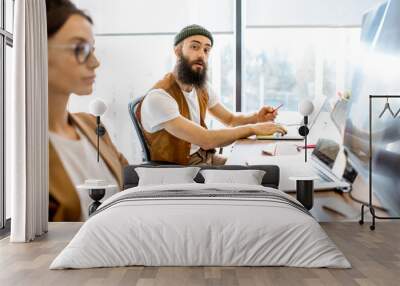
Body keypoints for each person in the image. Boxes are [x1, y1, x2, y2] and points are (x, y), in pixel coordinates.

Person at [137, 24, 287, 165]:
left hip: (205, 157)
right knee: (249, 177)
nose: (201, 54)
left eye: (206, 50)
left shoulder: (201, 88)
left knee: (256, 167)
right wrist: (253, 129)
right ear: (177, 51)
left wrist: (256, 118)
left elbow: (230, 119)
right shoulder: (159, 97)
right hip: (181, 170)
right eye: (194, 47)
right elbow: (206, 140)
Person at [47, 0, 128, 221]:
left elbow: (128, 177)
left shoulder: (92, 124)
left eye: (91, 49)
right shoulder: (21, 148)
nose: (95, 62)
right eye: (80, 49)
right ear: (37, 51)